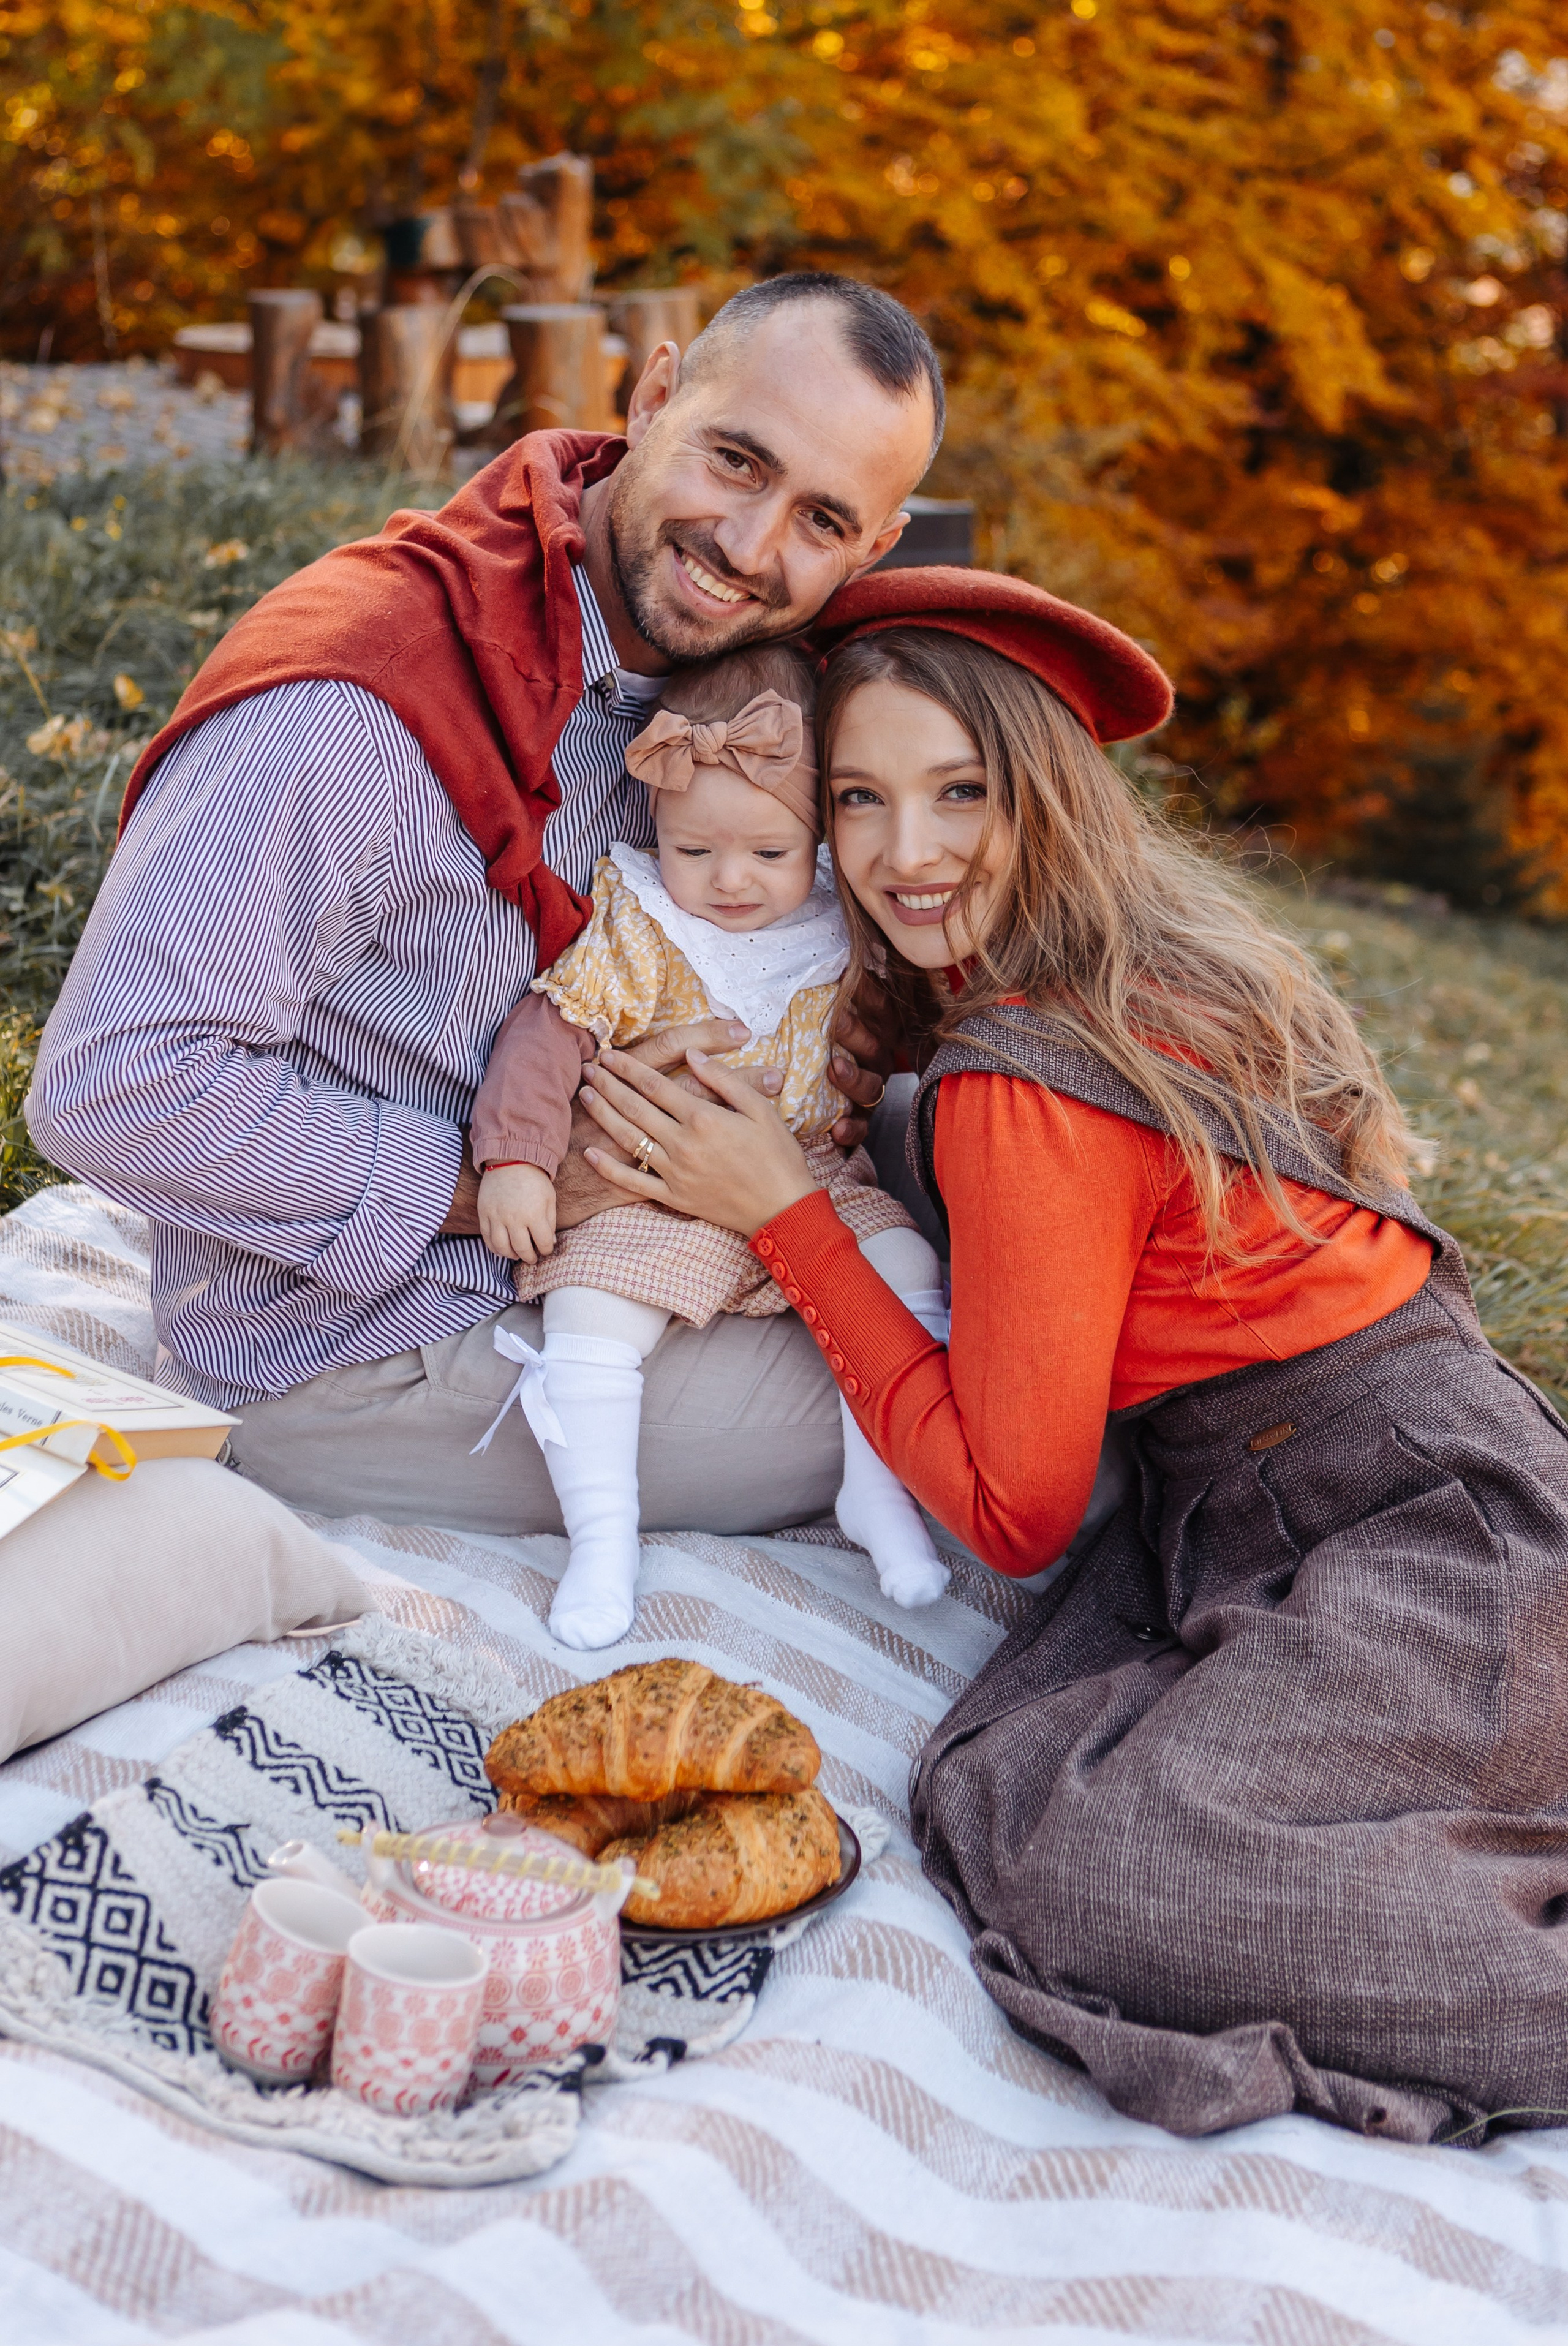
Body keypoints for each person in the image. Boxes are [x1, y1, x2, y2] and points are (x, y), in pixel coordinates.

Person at [571, 562, 1568, 2146]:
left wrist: (782, 1214)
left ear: (1042, 788)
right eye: (859, 799)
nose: (907, 853)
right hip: (1402, 1478)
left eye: (960, 789)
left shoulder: (1023, 1082)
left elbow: (1013, 1512)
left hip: (1412, 1538)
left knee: (1091, 1870)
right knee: (1022, 1782)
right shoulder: (1132, 955)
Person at [25, 274, 941, 1539]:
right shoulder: (355, 709)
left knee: (992, 1175)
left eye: (820, 519)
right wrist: (507, 1178)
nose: (749, 544)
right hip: (376, 1333)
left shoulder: (746, 691)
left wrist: (834, 1040)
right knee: (976, 1409)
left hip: (662, 1221)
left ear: (873, 547)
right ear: (656, 392)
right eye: (736, 459)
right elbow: (109, 1087)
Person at [470, 638, 946, 1648]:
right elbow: (548, 1036)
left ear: (816, 838)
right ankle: (604, 1535)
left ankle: (880, 1492)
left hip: (809, 1175)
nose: (731, 882)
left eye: (767, 855)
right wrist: (513, 1159)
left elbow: (898, 1021)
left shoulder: (838, 918)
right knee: (590, 1318)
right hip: (656, 1191)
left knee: (907, 1268)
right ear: (659, 829)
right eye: (697, 852)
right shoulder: (646, 926)